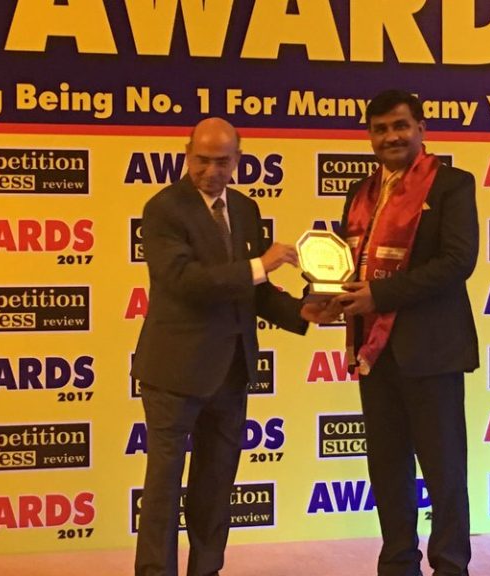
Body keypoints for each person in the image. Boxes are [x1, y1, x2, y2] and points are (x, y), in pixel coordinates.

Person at [131, 117, 334, 576]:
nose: (211, 171)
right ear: (187, 155)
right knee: (163, 487)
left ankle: (207, 570)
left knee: (216, 485)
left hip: (232, 370)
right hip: (173, 372)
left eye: (222, 162)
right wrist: (260, 264)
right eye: (202, 160)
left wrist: (300, 312)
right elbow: (184, 281)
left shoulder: (244, 208)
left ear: (238, 160)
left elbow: (253, 291)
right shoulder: (163, 209)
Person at [334, 90, 480, 576]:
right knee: (387, 467)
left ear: (421, 128)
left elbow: (457, 262)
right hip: (374, 352)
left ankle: (451, 565)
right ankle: (397, 563)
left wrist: (379, 295)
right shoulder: (360, 193)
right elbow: (351, 264)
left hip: (431, 351)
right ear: (369, 136)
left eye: (400, 126)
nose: (391, 137)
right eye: (380, 129)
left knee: (444, 470)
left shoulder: (452, 185)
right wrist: (331, 296)